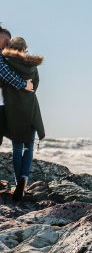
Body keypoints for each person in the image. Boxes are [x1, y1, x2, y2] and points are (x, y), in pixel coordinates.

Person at [2, 37, 45, 201]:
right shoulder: (32, 64)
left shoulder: (5, 63)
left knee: (17, 148)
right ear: (25, 49)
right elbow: (36, 86)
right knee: (29, 148)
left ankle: (16, 182)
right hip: (31, 109)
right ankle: (24, 179)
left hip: (13, 110)